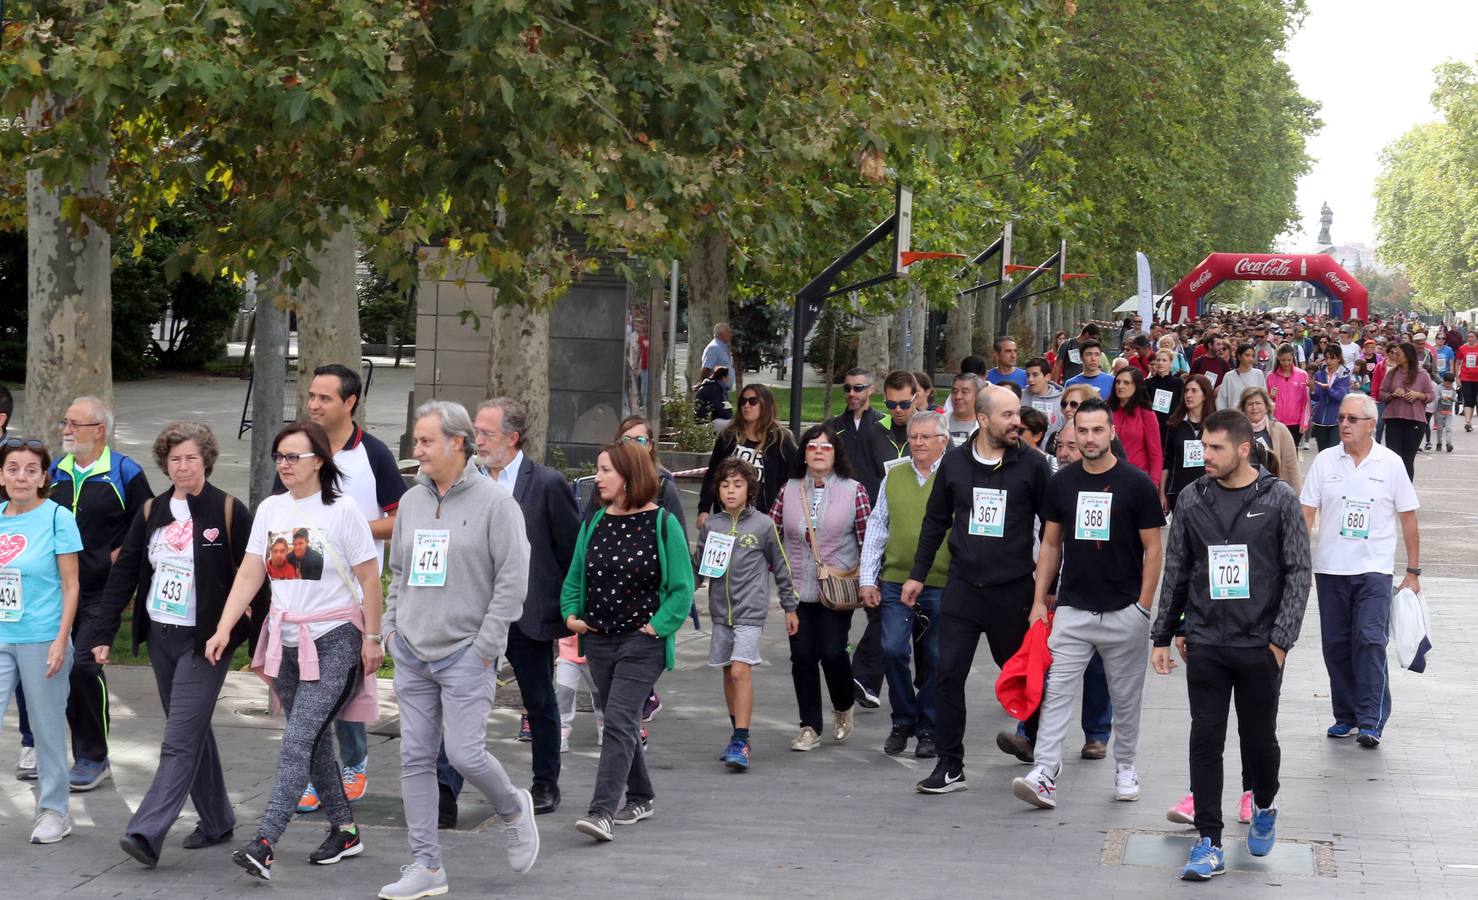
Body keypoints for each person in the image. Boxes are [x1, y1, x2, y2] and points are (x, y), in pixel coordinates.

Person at [205, 421, 384, 882]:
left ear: (319, 461)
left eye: (294, 457)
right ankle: (345, 830)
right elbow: (249, 574)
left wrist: (373, 638)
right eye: (279, 456)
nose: (285, 464)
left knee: (298, 740)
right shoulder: (269, 509)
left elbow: (368, 579)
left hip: (336, 639)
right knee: (315, 742)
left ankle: (265, 841)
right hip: (285, 641)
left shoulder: (343, 512)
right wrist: (224, 628)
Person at [85, 422, 267, 867]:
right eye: (174, 459)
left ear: (206, 458)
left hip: (205, 642)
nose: (182, 466)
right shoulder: (151, 512)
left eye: (190, 457)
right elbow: (124, 574)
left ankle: (147, 830)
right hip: (162, 638)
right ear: (164, 463)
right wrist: (102, 634)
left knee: (178, 739)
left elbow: (256, 580)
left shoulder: (228, 510)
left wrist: (255, 643)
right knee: (192, 728)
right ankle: (218, 819)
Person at [377, 401, 539, 899]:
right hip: (411, 651)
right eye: (416, 441)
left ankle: (512, 807)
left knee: (464, 754)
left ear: (458, 442)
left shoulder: (496, 504)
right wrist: (390, 629)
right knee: (416, 757)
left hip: (468, 654)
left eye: (425, 441)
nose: (416, 450)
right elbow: (400, 571)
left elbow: (513, 581)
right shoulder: (413, 501)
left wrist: (486, 647)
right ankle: (426, 866)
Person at [1151, 409, 1312, 879]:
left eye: (1216, 447)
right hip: (1205, 641)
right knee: (1205, 739)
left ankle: (1264, 804)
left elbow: (1299, 572)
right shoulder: (1192, 498)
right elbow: (1177, 569)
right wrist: (1165, 634)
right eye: (1204, 445)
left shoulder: (1279, 498)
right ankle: (1208, 841)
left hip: (1260, 645)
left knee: (1259, 741)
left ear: (1244, 449)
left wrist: (1280, 642)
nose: (1206, 455)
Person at [1012, 397, 1163, 810]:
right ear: (1072, 433)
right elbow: (1050, 544)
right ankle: (1045, 770)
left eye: (1098, 430)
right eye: (1083, 430)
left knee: (1126, 696)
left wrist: (1143, 607)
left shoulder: (1137, 485)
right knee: (1056, 691)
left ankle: (1127, 766)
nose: (1090, 437)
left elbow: (1154, 550)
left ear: (1111, 433)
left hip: (1124, 610)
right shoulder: (1062, 482)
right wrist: (1040, 600)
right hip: (1074, 608)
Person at [438, 398, 579, 824]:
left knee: (538, 700)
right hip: (471, 614)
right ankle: (445, 788)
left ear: (513, 438)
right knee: (458, 699)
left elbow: (570, 550)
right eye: (475, 433)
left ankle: (545, 782)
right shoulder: (462, 482)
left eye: (486, 434)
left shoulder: (548, 484)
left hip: (527, 615)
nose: (476, 441)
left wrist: (565, 609)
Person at [905, 386, 1050, 793]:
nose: (1016, 421)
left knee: (1022, 675)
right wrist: (917, 574)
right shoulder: (953, 464)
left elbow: (1053, 530)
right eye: (1006, 415)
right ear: (982, 420)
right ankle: (950, 765)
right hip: (963, 590)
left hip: (1013, 592)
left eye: (1016, 414)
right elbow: (935, 522)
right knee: (947, 675)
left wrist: (1047, 589)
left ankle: (1039, 745)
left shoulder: (1032, 465)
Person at [563, 441, 694, 842]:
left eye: (605, 471)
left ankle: (601, 811)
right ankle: (641, 795)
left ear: (629, 476)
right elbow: (574, 579)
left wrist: (657, 627)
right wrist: (572, 616)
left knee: (618, 718)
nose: (597, 478)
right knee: (622, 721)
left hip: (643, 642)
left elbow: (681, 589)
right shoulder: (595, 521)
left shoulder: (662, 523)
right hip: (599, 640)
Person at [293, 364, 406, 814]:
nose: (314, 405)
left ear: (349, 402)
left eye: (324, 398)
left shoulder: (373, 453)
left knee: (344, 684)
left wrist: (352, 529)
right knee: (306, 688)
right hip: (301, 590)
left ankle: (353, 763)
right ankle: (315, 772)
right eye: (312, 397)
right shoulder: (300, 448)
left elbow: (401, 519)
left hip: (355, 593)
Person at [1300, 393, 1421, 748]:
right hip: (1331, 569)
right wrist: (1295, 561)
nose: (1345, 424)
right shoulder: (1325, 461)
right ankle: (1346, 715)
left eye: (1352, 419)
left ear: (1372, 423)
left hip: (1374, 570)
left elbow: (1408, 518)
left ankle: (1370, 720)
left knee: (1369, 641)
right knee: (1336, 645)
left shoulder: (1391, 463)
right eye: (1341, 419)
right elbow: (1306, 513)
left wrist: (1413, 570)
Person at [49, 396, 152, 791]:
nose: (66, 430)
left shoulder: (125, 472)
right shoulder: (55, 471)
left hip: (101, 591)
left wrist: (118, 556)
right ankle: (42, 749)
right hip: (56, 589)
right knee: (52, 670)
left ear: (99, 431)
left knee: (84, 666)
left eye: (75, 424)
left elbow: (148, 521)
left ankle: (93, 757)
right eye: (66, 423)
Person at [0, 436, 83, 844]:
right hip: (1, 636)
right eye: (13, 468)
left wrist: (60, 639)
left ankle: (54, 811)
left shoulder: (56, 518)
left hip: (41, 636)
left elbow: (71, 586)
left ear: (42, 477)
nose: (21, 476)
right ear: (1, 475)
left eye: (30, 469)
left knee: (48, 728)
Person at [769, 423, 869, 752]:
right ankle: (809, 725)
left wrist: (869, 581)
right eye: (812, 446)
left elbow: (867, 540)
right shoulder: (789, 489)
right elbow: (773, 535)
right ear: (804, 453)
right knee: (802, 657)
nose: (819, 452)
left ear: (836, 453)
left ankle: (843, 707)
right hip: (797, 589)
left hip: (836, 589)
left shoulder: (854, 490)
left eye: (826, 447)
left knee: (831, 652)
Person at [859, 411, 950, 760]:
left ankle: (928, 728)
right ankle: (902, 720)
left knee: (935, 659)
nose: (919, 443)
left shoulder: (954, 475)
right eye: (913, 437)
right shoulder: (893, 475)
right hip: (896, 580)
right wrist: (869, 578)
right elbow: (878, 527)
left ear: (943, 440)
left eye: (926, 437)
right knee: (893, 649)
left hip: (941, 582)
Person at [697, 458, 797, 770]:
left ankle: (741, 738)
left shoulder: (764, 525)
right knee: (728, 671)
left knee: (741, 670)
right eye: (725, 485)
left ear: (749, 489)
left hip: (751, 611)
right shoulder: (712, 525)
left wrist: (789, 606)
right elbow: (698, 566)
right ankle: (737, 734)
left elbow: (780, 565)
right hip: (720, 612)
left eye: (737, 485)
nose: (730, 490)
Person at [697, 384, 797, 526]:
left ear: (765, 405)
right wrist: (704, 509)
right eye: (743, 401)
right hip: (728, 518)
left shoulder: (781, 440)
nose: (746, 405)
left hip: (765, 521)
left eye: (753, 401)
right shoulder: (729, 436)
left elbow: (794, 480)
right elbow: (712, 474)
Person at [826, 367, 896, 507]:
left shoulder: (885, 425)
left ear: (871, 390)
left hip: (874, 507)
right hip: (837, 505)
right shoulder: (831, 426)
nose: (851, 393)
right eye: (847, 388)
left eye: (858, 388)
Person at [1378, 341, 1433, 482]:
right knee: (1394, 458)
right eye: (1394, 353)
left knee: (1408, 459)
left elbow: (1431, 395)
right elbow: (1381, 393)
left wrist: (1418, 395)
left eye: (1398, 353)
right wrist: (1392, 394)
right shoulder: (1392, 373)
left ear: (1408, 356)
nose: (1395, 356)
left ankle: (1406, 495)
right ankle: (1391, 491)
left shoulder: (1422, 374)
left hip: (1415, 421)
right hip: (1394, 419)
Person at [1160, 375, 1215, 514]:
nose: (1188, 395)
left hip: (1210, 491)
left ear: (1205, 395)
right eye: (1186, 391)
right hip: (1179, 491)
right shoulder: (1175, 424)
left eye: (1194, 391)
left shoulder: (1216, 425)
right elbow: (1167, 461)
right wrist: (1162, 493)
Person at [1238, 388, 1302, 494]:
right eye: (1250, 404)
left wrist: (1296, 496)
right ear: (1243, 408)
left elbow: (1291, 466)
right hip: (1245, 492)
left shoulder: (1280, 430)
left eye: (1258, 403)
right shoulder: (1236, 431)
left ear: (1267, 406)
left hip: (1274, 492)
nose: (1254, 407)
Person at [1108, 367, 1163, 479]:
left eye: (1126, 383)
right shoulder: (1105, 411)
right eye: (1118, 382)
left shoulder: (1146, 413)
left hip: (1138, 477)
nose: (1120, 386)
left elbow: (1155, 454)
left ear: (1136, 386)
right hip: (1109, 475)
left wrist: (1153, 484)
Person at [1267, 344, 1310, 448]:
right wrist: (1270, 396)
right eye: (1283, 360)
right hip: (1276, 423)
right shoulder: (1270, 376)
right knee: (1277, 456)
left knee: (1292, 455)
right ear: (1278, 359)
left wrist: (1304, 423)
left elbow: (1306, 402)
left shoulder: (1302, 375)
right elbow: (1266, 403)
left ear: (1293, 358)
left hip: (1295, 423)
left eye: (1289, 360)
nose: (1286, 363)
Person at [1023, 357, 1066, 446]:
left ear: (1047, 377)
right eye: (1028, 375)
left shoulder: (1062, 400)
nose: (1030, 379)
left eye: (1035, 375)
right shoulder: (1019, 397)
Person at [1144, 349, 1183, 438]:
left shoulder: (1178, 383)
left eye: (1164, 360)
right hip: (1153, 425)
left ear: (1171, 363)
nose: (1160, 363)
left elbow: (1181, 404)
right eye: (1158, 360)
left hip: (1172, 425)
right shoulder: (1148, 383)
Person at [1216, 344, 1267, 410]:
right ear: (1239, 357)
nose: (1250, 359)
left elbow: (1264, 396)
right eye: (1247, 355)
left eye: (1253, 356)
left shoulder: (1258, 374)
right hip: (1235, 416)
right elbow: (1221, 401)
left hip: (1254, 415)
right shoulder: (1229, 376)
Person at [945, 373, 982, 447]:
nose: (958, 397)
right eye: (954, 392)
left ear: (978, 395)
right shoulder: (939, 422)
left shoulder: (985, 427)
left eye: (965, 392)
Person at [693, 365, 733, 431]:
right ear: (723, 377)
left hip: (712, 419)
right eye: (727, 376)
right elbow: (718, 407)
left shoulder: (717, 387)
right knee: (735, 425)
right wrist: (729, 417)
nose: (728, 379)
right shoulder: (714, 389)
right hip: (705, 422)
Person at [1456, 330, 1478, 432]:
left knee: (1473, 400)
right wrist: (1457, 377)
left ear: (1476, 338)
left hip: (1476, 378)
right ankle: (1468, 422)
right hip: (1465, 377)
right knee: (1467, 399)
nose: (1470, 339)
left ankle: (1469, 421)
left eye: (1472, 337)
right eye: (1468, 337)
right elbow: (1457, 363)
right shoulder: (1462, 349)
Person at [701, 322, 734, 389]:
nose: (730, 335)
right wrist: (705, 387)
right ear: (721, 334)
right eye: (728, 332)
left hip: (721, 389)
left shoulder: (721, 347)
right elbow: (706, 369)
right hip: (715, 389)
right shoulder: (714, 348)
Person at [1435, 372, 1457, 453]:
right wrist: (1441, 398)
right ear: (1443, 381)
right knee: (1440, 428)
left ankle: (1449, 444)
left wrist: (1452, 399)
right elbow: (1435, 397)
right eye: (1447, 383)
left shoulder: (1452, 389)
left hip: (1449, 411)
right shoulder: (1439, 388)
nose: (1448, 385)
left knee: (1448, 428)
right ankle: (1439, 443)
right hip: (1440, 411)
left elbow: (1456, 399)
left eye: (1450, 383)